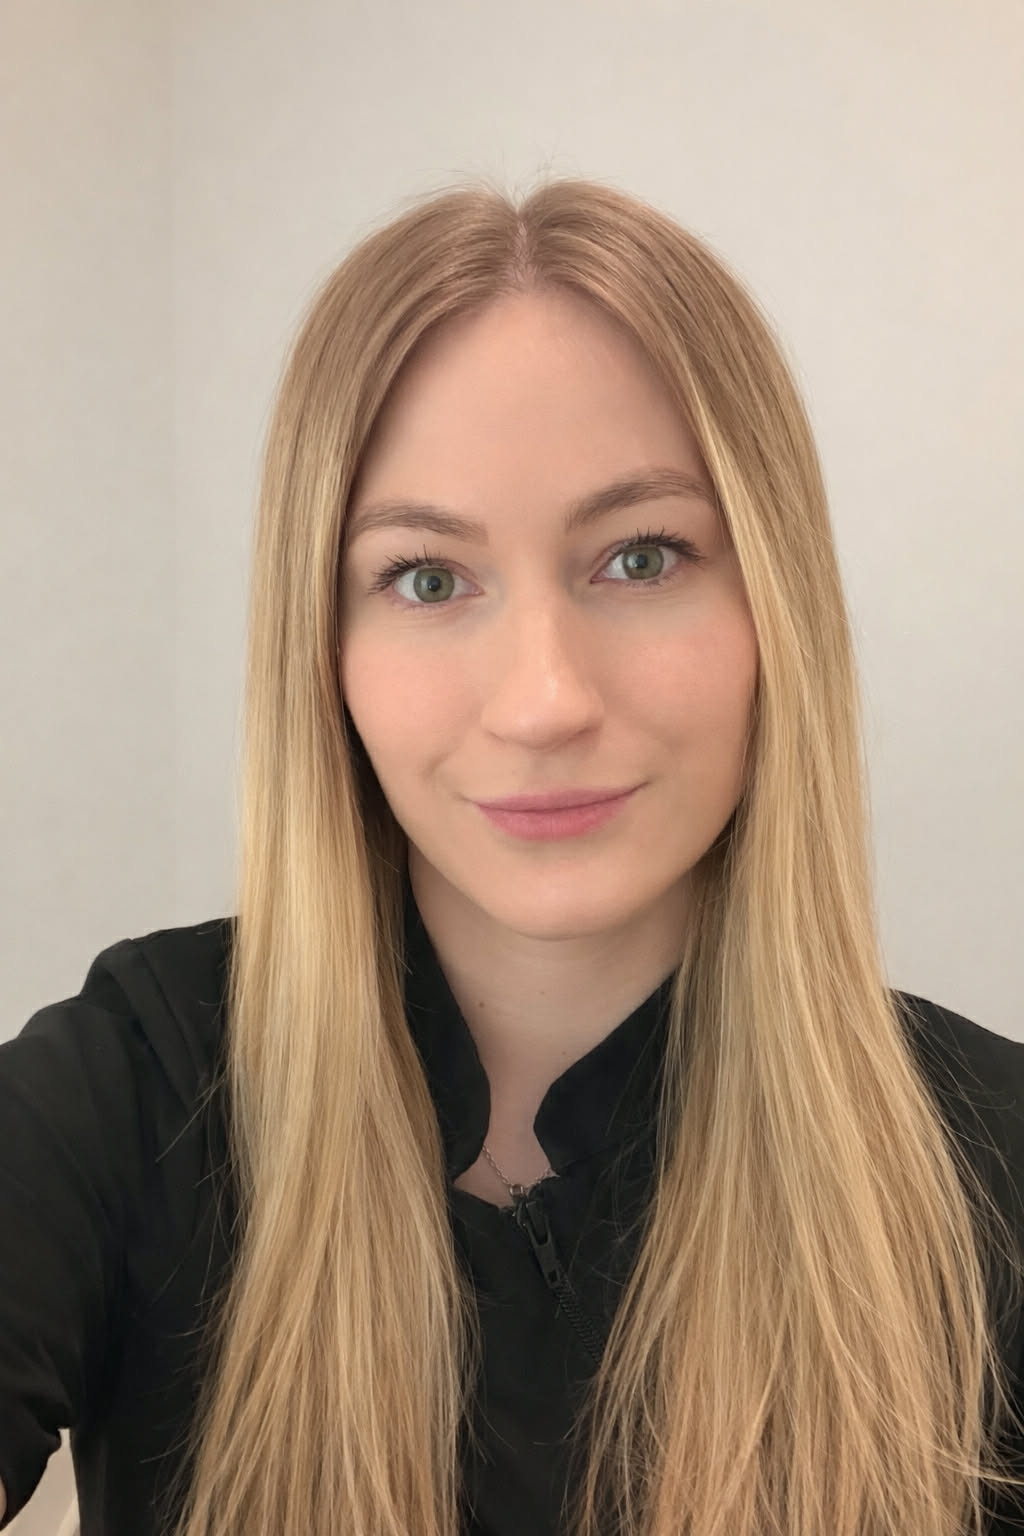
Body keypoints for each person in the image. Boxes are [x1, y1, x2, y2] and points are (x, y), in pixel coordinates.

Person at [1, 177, 1023, 1536]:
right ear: (324, 649)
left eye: (642, 557)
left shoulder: (993, 1160)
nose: (544, 701)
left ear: (776, 603)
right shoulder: (132, 1088)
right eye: (428, 579)